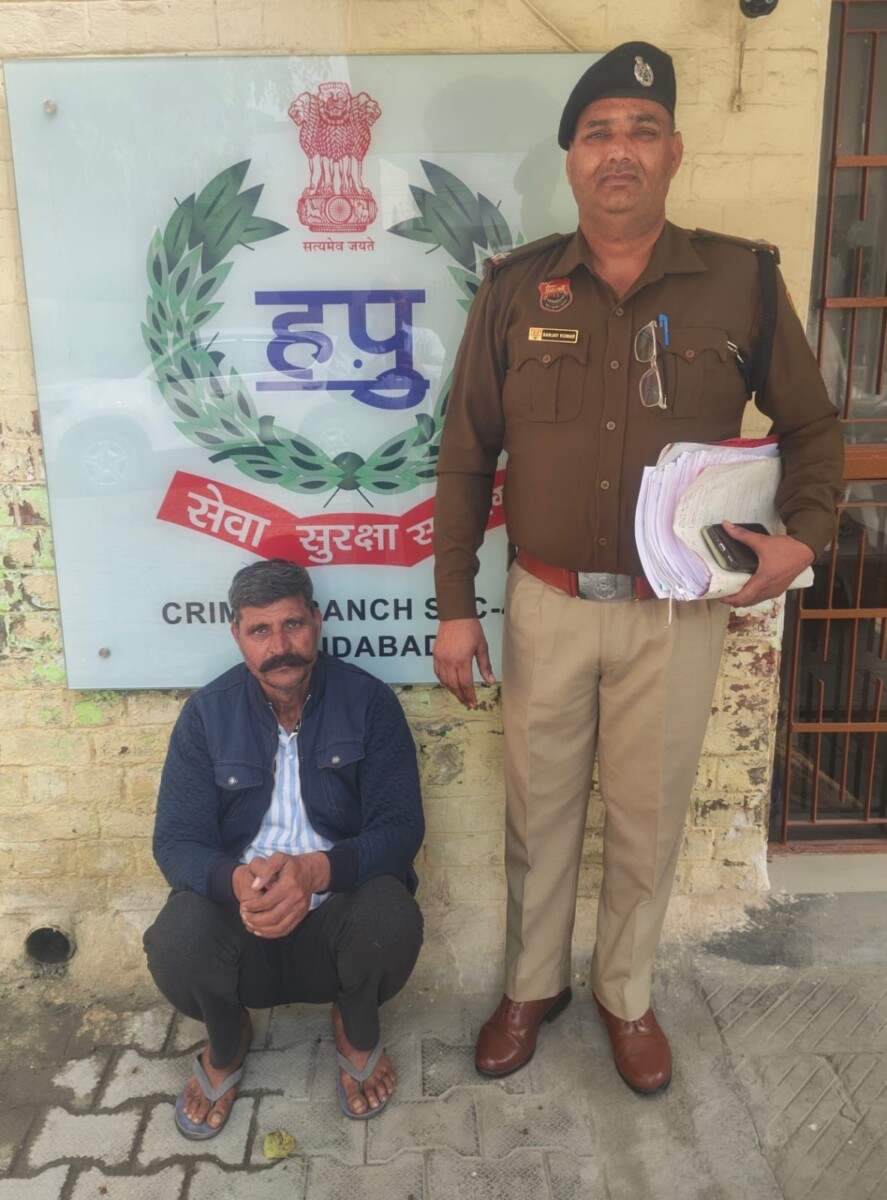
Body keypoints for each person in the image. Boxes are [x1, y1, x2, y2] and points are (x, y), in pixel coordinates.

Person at [432, 42, 843, 1095]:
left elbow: (810, 426)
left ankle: (624, 994)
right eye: (598, 133)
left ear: (673, 153)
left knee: (646, 816)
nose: (619, 150)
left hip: (675, 613)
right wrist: (454, 607)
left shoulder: (739, 281)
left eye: (641, 131)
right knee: (538, 814)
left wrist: (802, 537)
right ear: (570, 158)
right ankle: (530, 989)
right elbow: (467, 452)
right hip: (546, 603)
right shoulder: (515, 287)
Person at [144, 558, 424, 1135]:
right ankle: (227, 1041)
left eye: (293, 624)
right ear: (237, 635)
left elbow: (400, 829)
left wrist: (316, 872)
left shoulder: (369, 702)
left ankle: (354, 1025)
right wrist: (237, 883)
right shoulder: (206, 715)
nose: (280, 647)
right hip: (242, 927)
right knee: (176, 939)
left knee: (390, 914)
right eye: (260, 630)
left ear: (317, 621)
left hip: (336, 922)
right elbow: (175, 842)